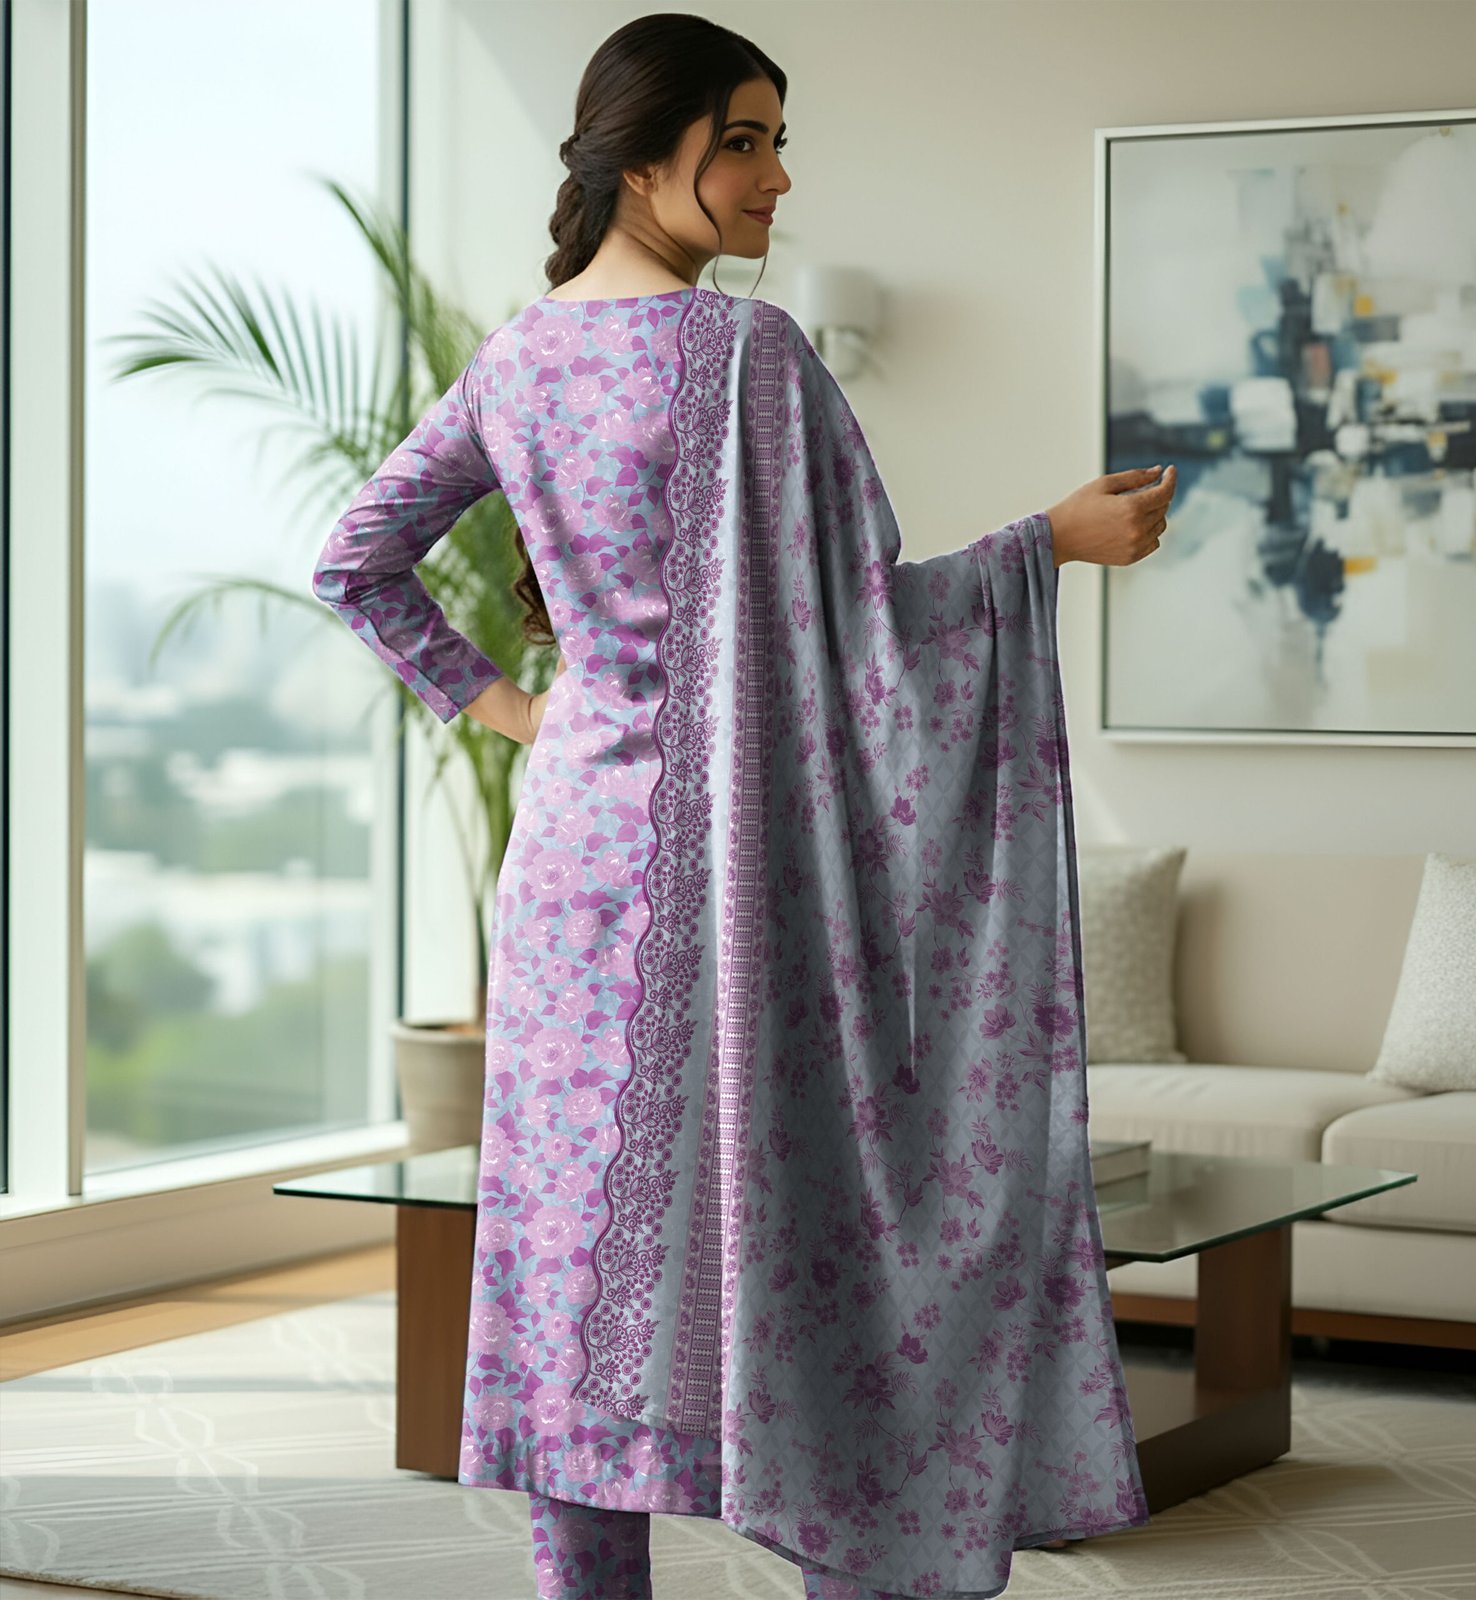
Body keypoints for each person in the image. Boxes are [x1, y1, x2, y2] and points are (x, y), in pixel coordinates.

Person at [311, 14, 1176, 1599]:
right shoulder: (746, 358)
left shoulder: (516, 360)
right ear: (642, 163)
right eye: (746, 143)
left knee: (581, 1265)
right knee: (812, 1214)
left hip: (571, 872)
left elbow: (354, 562)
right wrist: (1046, 543)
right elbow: (863, 633)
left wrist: (525, 717)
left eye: (781, 142)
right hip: (729, 871)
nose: (779, 178)